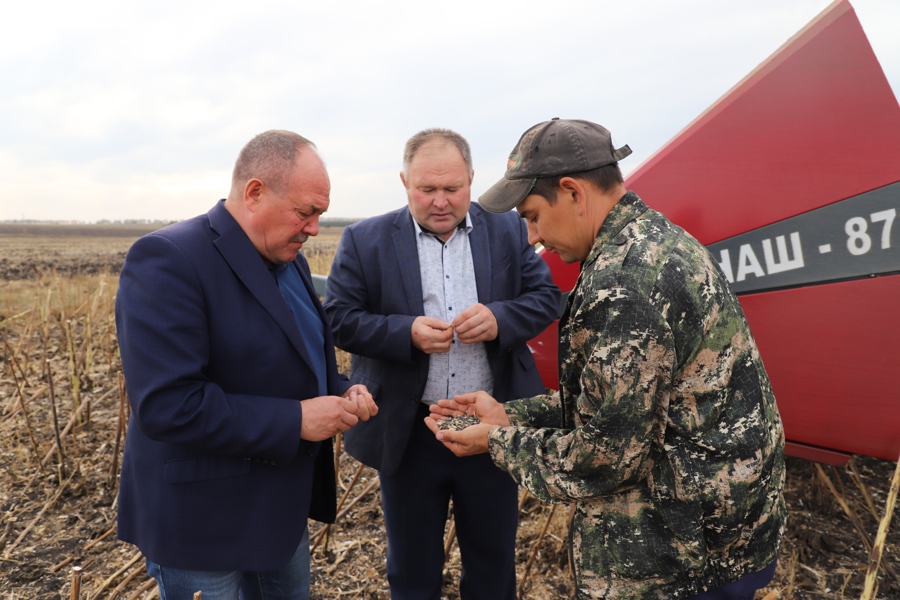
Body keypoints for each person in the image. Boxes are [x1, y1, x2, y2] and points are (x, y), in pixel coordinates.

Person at [425, 118, 787, 600]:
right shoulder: (655, 238)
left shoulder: (622, 286)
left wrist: (497, 442)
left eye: (533, 214)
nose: (532, 236)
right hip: (720, 533)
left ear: (573, 192)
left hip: (680, 560)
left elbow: (606, 457)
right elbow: (624, 403)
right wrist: (510, 413)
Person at [115, 130, 378, 599]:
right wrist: (297, 419)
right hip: (201, 526)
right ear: (255, 192)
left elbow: (290, 361)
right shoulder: (169, 258)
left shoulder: (288, 257)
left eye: (320, 213)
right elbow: (168, 405)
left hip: (278, 513)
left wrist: (338, 389)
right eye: (305, 212)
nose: (315, 228)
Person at [323, 128, 560, 599]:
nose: (440, 201)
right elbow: (339, 319)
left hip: (490, 426)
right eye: (426, 189)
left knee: (493, 568)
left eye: (452, 189)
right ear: (403, 182)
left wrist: (499, 318)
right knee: (411, 572)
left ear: (471, 179)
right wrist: (404, 332)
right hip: (409, 431)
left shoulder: (507, 229)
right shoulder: (364, 240)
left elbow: (546, 298)